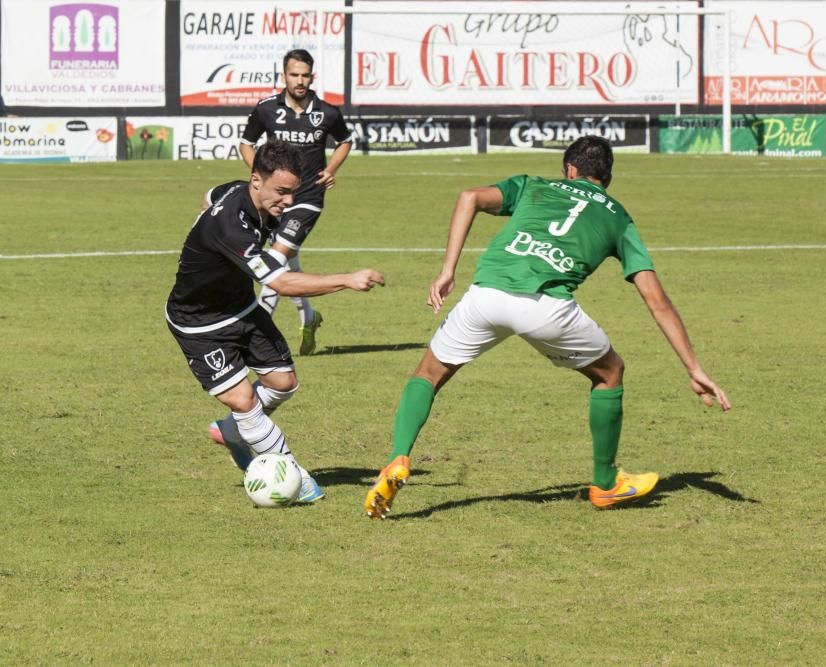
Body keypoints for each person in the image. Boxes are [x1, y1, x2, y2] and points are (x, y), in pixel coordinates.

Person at [363, 136, 730, 519]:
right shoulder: (619, 217)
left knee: (428, 373)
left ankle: (397, 458)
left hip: (486, 294)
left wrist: (447, 270)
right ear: (606, 177)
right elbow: (657, 301)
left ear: (570, 170)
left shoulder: (533, 184)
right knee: (610, 372)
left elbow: (469, 197)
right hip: (545, 308)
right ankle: (605, 484)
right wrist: (693, 368)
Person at [166, 140, 384, 503]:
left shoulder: (241, 192)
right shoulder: (230, 226)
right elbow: (281, 282)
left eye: (292, 193)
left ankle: (234, 432)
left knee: (284, 383)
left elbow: (210, 194)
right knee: (244, 400)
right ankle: (294, 475)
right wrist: (346, 279)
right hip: (200, 323)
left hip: (241, 308)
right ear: (256, 180)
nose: (287, 202)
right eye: (281, 192)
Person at [239, 48, 354, 355]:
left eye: (305, 75)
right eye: (294, 75)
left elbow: (345, 141)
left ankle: (256, 330)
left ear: (311, 76)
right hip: (276, 201)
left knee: (274, 260)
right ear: (284, 76)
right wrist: (261, 176)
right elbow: (246, 143)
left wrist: (330, 169)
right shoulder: (266, 109)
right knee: (289, 260)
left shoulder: (327, 112)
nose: (300, 81)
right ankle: (309, 317)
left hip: (308, 198)